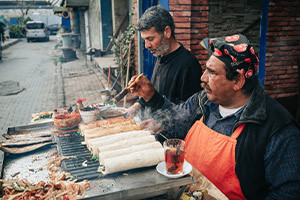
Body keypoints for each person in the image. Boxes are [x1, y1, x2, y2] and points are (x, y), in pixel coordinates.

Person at [129, 34, 300, 199]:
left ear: (238, 81)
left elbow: (288, 192)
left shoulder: (278, 130)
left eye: (212, 73)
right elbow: (176, 119)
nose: (203, 78)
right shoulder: (203, 101)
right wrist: (152, 99)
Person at [127, 5, 203, 118]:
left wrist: (152, 98)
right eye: (144, 40)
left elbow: (190, 115)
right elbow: (159, 95)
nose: (147, 46)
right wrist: (140, 102)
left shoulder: (188, 65)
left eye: (150, 39)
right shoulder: (161, 55)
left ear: (167, 32)